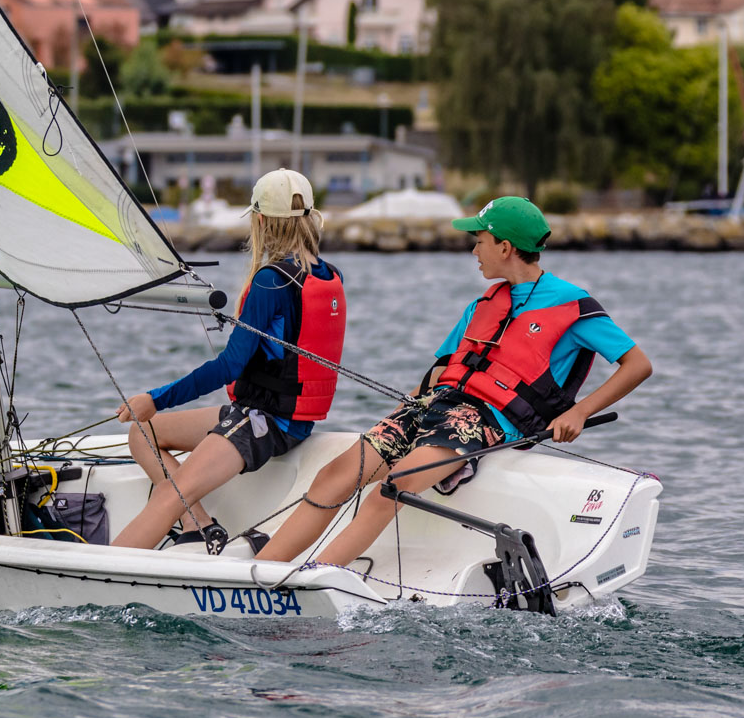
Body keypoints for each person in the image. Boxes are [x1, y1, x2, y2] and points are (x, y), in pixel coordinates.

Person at [258, 195, 651, 568]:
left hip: (485, 423)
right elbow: (438, 373)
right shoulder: (484, 303)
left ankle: (309, 579)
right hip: (433, 407)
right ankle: (265, 570)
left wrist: (580, 412)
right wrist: (400, 416)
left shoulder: (574, 305)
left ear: (506, 247)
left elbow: (637, 364)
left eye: (479, 241)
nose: (474, 251)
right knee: (336, 474)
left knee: (393, 487)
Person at [111, 169, 347, 551]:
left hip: (267, 422)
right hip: (282, 417)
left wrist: (155, 399)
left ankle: (102, 575)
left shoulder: (273, 280)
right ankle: (200, 527)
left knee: (170, 497)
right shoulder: (325, 274)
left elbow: (229, 367)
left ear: (262, 221)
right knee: (145, 434)